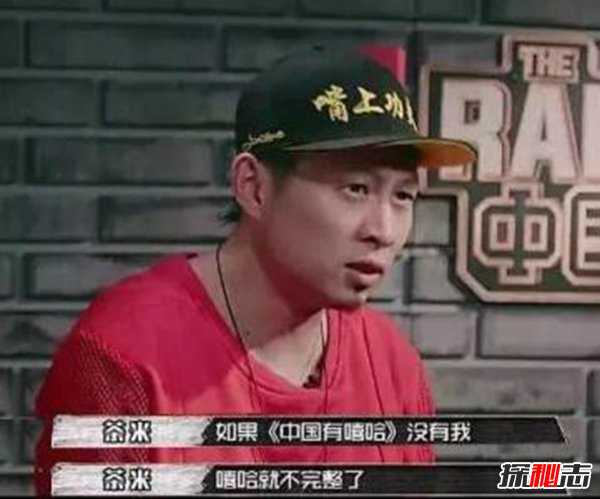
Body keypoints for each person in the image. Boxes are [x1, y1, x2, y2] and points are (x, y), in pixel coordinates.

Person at [34, 45, 476, 495]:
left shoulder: (392, 363)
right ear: (254, 187)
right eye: (356, 188)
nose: (383, 230)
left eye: (403, 196)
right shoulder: (122, 356)